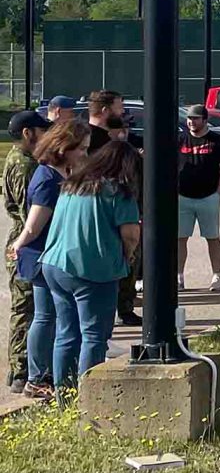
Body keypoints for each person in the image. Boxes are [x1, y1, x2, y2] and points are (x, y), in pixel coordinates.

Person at [37, 140, 141, 392]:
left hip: (55, 265)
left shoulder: (72, 185)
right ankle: (88, 395)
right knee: (94, 336)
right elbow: (130, 235)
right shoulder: (118, 191)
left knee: (66, 332)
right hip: (93, 269)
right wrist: (128, 255)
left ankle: (64, 394)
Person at [7, 120, 90, 399]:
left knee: (51, 317)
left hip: (52, 253)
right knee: (44, 317)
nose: (84, 154)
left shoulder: (60, 172)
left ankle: (46, 373)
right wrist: (19, 244)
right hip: (41, 254)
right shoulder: (46, 179)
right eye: (81, 149)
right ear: (63, 147)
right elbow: (33, 225)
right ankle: (36, 376)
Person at [4, 110, 46, 393]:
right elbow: (27, 211)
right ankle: (20, 370)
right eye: (41, 130)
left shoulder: (28, 161)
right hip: (25, 240)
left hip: (26, 238)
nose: (45, 134)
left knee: (31, 307)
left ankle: (24, 367)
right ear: (27, 133)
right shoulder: (23, 164)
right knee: (24, 307)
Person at [176, 105, 220, 292]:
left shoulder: (217, 141)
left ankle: (217, 276)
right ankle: (179, 277)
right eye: (190, 118)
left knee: (212, 237)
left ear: (205, 120)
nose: (192, 122)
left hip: (208, 197)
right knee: (180, 238)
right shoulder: (181, 139)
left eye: (196, 118)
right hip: (183, 196)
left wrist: (218, 194)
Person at [108, 113, 143, 327]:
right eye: (121, 127)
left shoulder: (135, 149)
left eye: (127, 127)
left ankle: (126, 307)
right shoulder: (105, 152)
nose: (125, 132)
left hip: (134, 211)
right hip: (112, 216)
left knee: (131, 263)